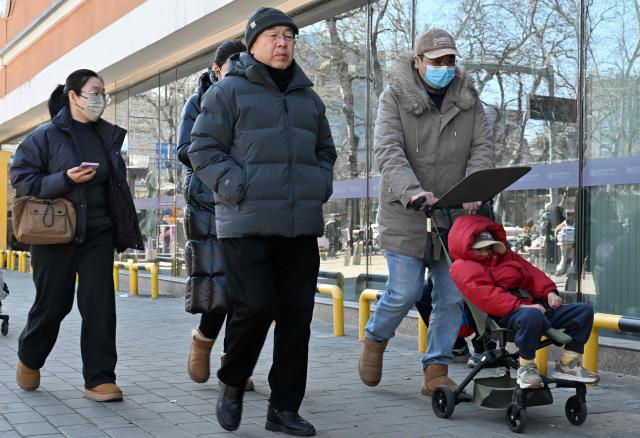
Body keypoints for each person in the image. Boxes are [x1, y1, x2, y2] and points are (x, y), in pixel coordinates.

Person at [189, 7, 336, 436]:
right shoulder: (228, 92)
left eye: (289, 35)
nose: (283, 42)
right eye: (273, 35)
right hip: (246, 223)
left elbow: (325, 151)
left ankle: (283, 409)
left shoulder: (309, 97)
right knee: (253, 309)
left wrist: (318, 186)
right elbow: (202, 150)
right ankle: (233, 382)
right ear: (253, 43)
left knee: (296, 318)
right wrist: (240, 188)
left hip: (299, 226)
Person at [359, 28, 494, 395]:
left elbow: (482, 147)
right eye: (436, 61)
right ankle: (375, 339)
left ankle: (436, 371)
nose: (444, 67)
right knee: (405, 290)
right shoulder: (393, 99)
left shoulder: (468, 99)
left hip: (454, 216)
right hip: (409, 212)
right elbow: (388, 150)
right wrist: (413, 191)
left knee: (451, 295)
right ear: (417, 62)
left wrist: (474, 186)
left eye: (450, 60)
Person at [10, 69, 143, 401]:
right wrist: (65, 179)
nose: (100, 99)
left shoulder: (107, 136)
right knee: (53, 305)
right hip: (55, 232)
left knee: (100, 305)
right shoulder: (44, 136)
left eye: (103, 93)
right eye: (94, 92)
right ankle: (30, 355)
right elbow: (22, 178)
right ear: (73, 95)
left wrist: (121, 227)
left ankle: (99, 378)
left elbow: (116, 186)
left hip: (98, 233)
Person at [177, 39, 255, 391]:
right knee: (220, 286)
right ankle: (203, 340)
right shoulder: (199, 101)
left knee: (246, 291)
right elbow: (185, 150)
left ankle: (233, 366)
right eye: (232, 66)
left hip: (247, 203)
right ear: (216, 69)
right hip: (209, 202)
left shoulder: (255, 99)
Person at [448, 214, 600, 389]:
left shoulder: (507, 257)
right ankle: (526, 367)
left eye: (489, 248)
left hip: (532, 308)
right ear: (467, 248)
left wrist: (549, 292)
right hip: (504, 315)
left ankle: (569, 363)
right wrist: (521, 306)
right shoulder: (463, 267)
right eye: (479, 249)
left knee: (584, 311)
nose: (486, 253)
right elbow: (487, 296)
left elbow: (533, 274)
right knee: (532, 314)